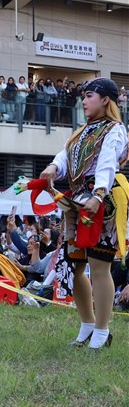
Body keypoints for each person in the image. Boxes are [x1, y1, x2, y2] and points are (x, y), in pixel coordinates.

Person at [39, 78, 128, 349]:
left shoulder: (115, 130)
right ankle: (87, 324)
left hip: (103, 199)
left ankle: (102, 330)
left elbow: (107, 162)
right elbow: (66, 156)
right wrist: (53, 168)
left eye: (89, 95)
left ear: (105, 100)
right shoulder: (81, 132)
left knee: (100, 266)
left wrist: (99, 194)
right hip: (79, 199)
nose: (84, 100)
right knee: (73, 265)